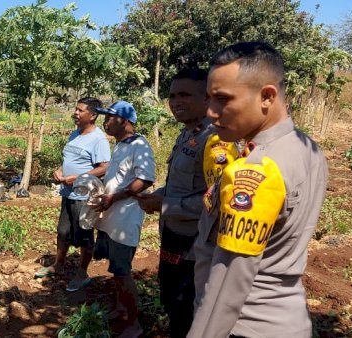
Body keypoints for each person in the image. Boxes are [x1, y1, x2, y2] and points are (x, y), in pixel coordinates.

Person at [187, 42, 328, 338]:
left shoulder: (256, 170)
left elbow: (228, 283)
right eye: (209, 99)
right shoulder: (307, 149)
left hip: (242, 326)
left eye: (222, 100)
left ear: (267, 96)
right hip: (287, 320)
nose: (211, 113)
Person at [136, 69, 237, 338]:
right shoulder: (187, 134)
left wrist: (166, 204)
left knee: (188, 308)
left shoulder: (216, 141)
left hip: (195, 244)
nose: (175, 101)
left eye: (184, 94)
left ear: (207, 98)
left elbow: (218, 199)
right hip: (173, 237)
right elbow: (183, 184)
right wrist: (159, 195)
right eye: (171, 95)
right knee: (171, 300)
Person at [91, 101, 155, 338]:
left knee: (122, 271)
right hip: (112, 217)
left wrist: (115, 197)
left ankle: (134, 325)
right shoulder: (120, 146)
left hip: (126, 218)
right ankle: (120, 308)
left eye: (110, 118)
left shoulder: (140, 145)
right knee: (116, 270)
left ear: (125, 121)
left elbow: (145, 179)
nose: (105, 122)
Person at [35, 97, 111, 292]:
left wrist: (78, 177)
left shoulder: (98, 139)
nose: (75, 113)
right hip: (68, 192)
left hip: (85, 196)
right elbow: (69, 159)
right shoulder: (75, 134)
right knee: (63, 231)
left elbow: (104, 167)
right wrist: (60, 171)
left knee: (84, 235)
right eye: (75, 109)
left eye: (80, 110)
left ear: (93, 115)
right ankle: (58, 264)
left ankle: (82, 273)